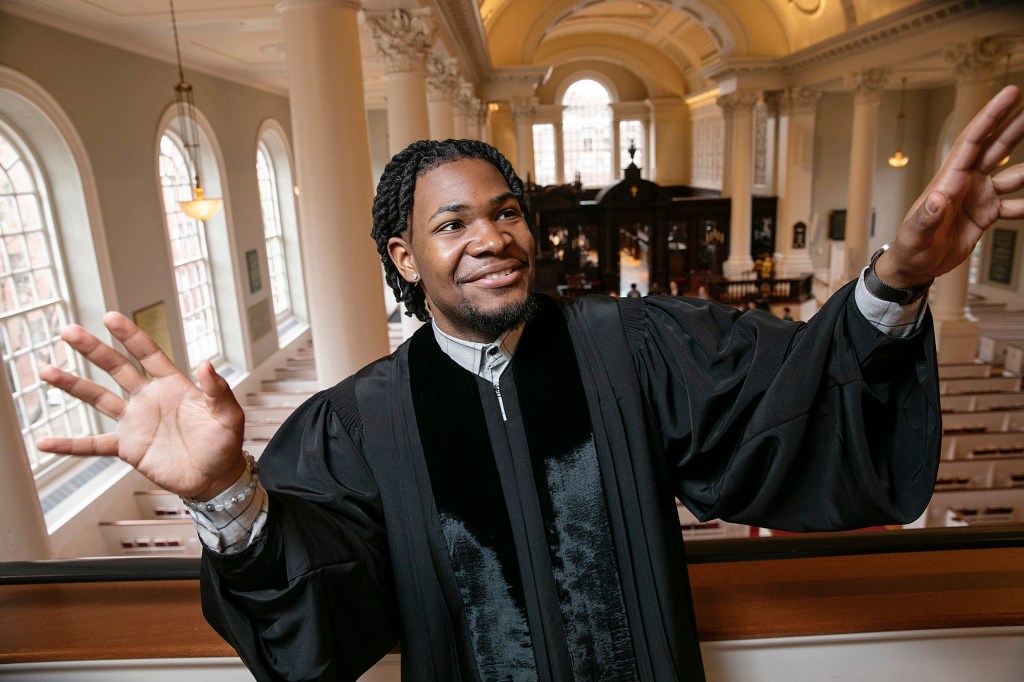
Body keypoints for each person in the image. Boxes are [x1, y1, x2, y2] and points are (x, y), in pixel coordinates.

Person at [37, 86, 1024, 681]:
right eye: (453, 222)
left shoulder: (634, 346)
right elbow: (319, 621)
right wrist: (222, 495)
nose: (491, 237)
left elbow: (787, 410)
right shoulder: (359, 424)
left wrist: (896, 278)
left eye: (505, 213)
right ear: (405, 254)